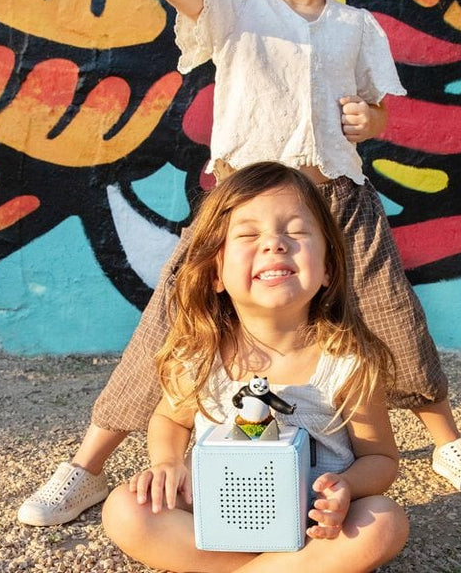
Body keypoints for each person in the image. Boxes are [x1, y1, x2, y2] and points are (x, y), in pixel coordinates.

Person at [17, 0, 461, 528]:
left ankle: (448, 444)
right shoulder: (234, 4)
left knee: (395, 321)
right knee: (169, 326)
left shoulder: (357, 27)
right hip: (242, 213)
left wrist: (372, 122)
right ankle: (87, 467)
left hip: (341, 205)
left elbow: (378, 110)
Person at [101, 161, 410, 572]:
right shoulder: (201, 354)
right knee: (125, 509)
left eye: (296, 232)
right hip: (220, 517)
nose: (275, 244)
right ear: (215, 273)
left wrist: (346, 487)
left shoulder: (346, 362)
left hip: (313, 527)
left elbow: (381, 459)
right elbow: (171, 420)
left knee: (383, 521)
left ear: (328, 269)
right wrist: (168, 462)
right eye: (248, 235)